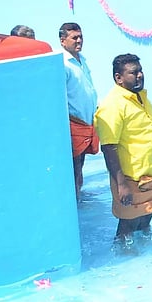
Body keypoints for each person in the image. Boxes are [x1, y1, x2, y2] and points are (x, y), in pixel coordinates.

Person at [95, 53, 152, 247]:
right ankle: (124, 260)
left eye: (140, 71)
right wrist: (121, 184)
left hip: (151, 176)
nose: (139, 75)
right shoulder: (113, 105)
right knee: (128, 226)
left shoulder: (139, 97)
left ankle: (146, 256)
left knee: (146, 221)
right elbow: (109, 147)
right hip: (132, 179)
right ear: (118, 78)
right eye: (133, 73)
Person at [60, 22, 98, 200]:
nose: (79, 40)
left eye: (81, 36)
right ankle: (74, 200)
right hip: (74, 123)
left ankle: (78, 194)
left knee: (80, 162)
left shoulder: (82, 60)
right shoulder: (62, 64)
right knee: (74, 165)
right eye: (74, 37)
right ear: (63, 40)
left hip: (87, 121)